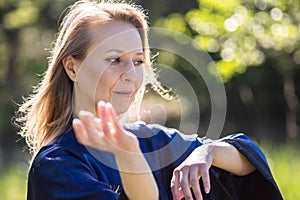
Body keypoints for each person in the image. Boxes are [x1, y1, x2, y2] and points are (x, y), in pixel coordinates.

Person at [15, 0, 283, 199]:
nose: (131, 75)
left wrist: (207, 153)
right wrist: (128, 155)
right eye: (114, 60)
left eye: (138, 61)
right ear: (72, 67)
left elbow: (248, 162)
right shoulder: (57, 167)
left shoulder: (151, 141)